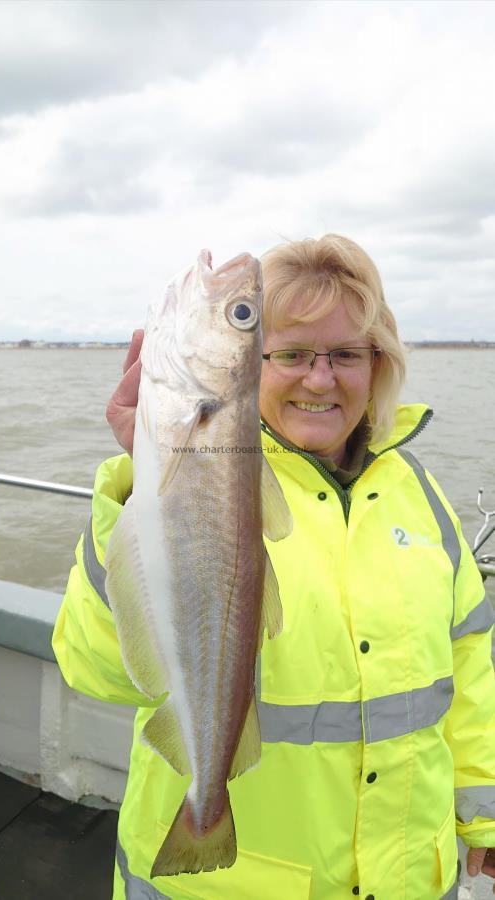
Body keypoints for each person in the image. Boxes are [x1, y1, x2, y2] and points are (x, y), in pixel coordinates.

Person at [52, 235, 495, 900]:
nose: (320, 379)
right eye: (289, 353)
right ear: (254, 363)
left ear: (380, 363)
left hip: (405, 877)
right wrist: (138, 490)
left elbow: (468, 669)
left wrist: (484, 814)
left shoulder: (422, 498)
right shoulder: (179, 478)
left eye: (345, 354)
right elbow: (94, 667)